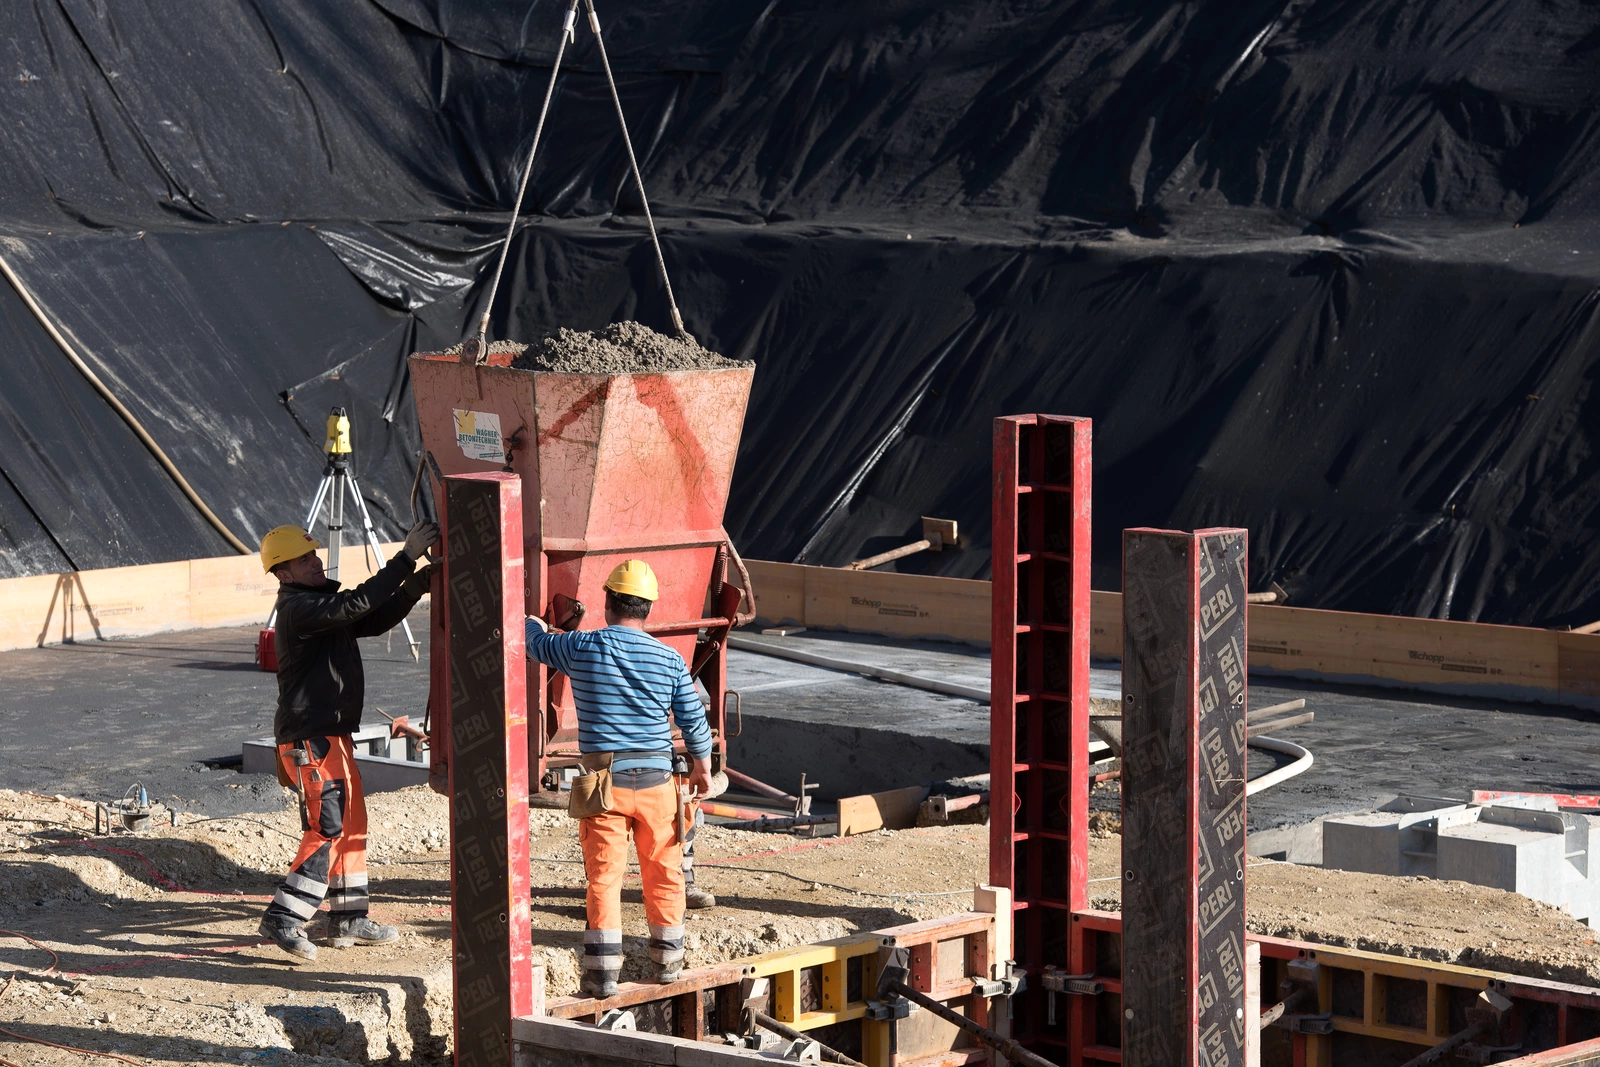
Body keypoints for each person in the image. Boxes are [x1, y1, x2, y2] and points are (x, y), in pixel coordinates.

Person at [525, 559, 712, 998]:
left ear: (607, 602)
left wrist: (533, 623)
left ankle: (603, 975)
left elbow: (535, 646)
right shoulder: (669, 659)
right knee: (665, 871)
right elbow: (692, 717)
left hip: (603, 783)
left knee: (604, 878)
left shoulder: (583, 646)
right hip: (657, 783)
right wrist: (702, 765)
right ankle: (667, 963)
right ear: (647, 608)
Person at [256, 520, 438, 963]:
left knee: (352, 824)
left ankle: (349, 916)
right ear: (283, 574)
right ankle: (284, 916)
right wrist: (406, 557)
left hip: (332, 736)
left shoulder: (318, 607)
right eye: (304, 559)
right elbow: (357, 602)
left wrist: (413, 588)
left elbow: (370, 618)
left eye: (314, 555)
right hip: (311, 740)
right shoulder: (299, 609)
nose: (316, 561)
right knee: (326, 826)